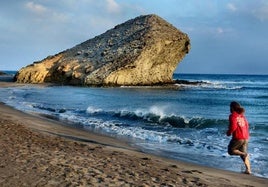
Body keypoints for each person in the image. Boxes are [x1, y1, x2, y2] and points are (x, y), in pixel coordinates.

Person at [226, 101, 251, 174]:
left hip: (238, 137)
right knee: (243, 154)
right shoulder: (242, 116)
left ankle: (244, 154)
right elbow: (247, 126)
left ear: (232, 108)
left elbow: (233, 126)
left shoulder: (232, 115)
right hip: (246, 137)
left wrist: (229, 132)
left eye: (230, 107)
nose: (229, 109)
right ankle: (248, 170)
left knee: (231, 151)